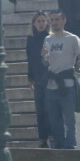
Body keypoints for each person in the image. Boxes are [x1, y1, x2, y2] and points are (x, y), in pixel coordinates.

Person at [42, 10, 80, 149]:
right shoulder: (48, 39)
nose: (54, 23)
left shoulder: (72, 38)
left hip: (67, 84)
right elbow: (45, 62)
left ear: (64, 20)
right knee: (54, 118)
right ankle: (59, 144)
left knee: (69, 118)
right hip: (51, 83)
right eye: (52, 20)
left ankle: (70, 145)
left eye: (57, 19)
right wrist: (44, 57)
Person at [27, 12, 52, 147]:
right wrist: (30, 78)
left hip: (49, 77)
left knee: (49, 108)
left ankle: (51, 135)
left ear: (47, 23)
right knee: (40, 109)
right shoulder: (30, 39)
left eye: (43, 21)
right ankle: (42, 138)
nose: (41, 24)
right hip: (37, 78)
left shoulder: (50, 38)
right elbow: (30, 60)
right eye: (38, 21)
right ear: (34, 24)